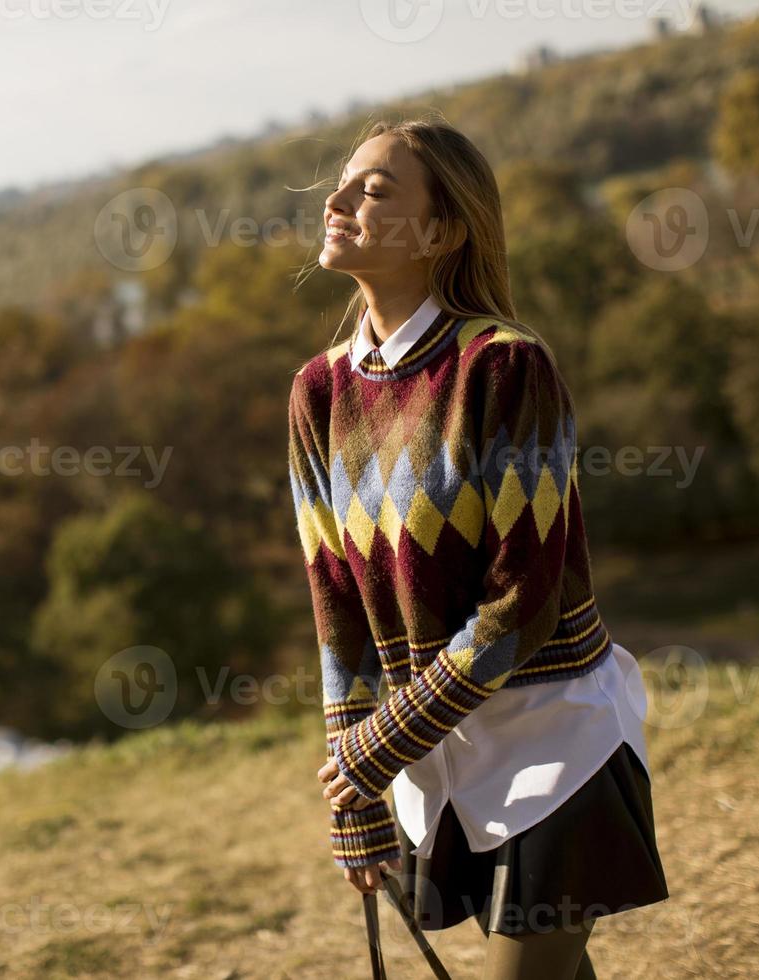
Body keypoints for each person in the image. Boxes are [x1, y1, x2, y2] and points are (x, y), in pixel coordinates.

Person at [287, 115, 669, 980]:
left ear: (441, 230)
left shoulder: (504, 368)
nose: (337, 200)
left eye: (375, 190)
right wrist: (359, 793)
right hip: (438, 766)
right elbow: (335, 607)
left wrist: (379, 743)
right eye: (343, 183)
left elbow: (520, 603)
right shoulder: (318, 394)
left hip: (557, 745)